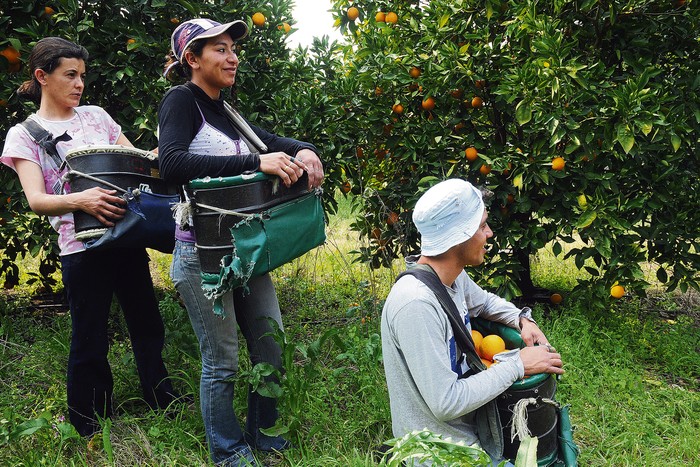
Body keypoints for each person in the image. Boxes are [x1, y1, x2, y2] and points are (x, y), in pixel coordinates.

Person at [158, 18, 324, 467]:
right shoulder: (181, 100)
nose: (232, 57)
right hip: (202, 255)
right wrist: (257, 161)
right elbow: (170, 164)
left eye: (233, 48)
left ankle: (264, 434)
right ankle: (227, 451)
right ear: (192, 59)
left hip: (243, 250)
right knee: (223, 360)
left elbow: (268, 141)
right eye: (220, 49)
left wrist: (304, 149)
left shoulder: (226, 108)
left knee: (271, 343)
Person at [0, 37, 178, 437]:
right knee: (90, 334)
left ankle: (161, 396)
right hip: (80, 247)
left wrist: (160, 155)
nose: (79, 84)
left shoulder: (96, 116)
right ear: (42, 77)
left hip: (126, 236)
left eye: (82, 75)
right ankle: (88, 419)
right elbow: (36, 200)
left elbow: (135, 166)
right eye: (70, 75)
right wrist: (82, 199)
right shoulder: (25, 134)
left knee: (147, 322)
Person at [380, 178, 564, 465]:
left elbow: (485, 302)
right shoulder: (416, 303)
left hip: (468, 431)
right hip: (440, 452)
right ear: (458, 236)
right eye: (481, 226)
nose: (489, 233)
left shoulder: (450, 277)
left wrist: (522, 319)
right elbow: (446, 402)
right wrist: (518, 365)